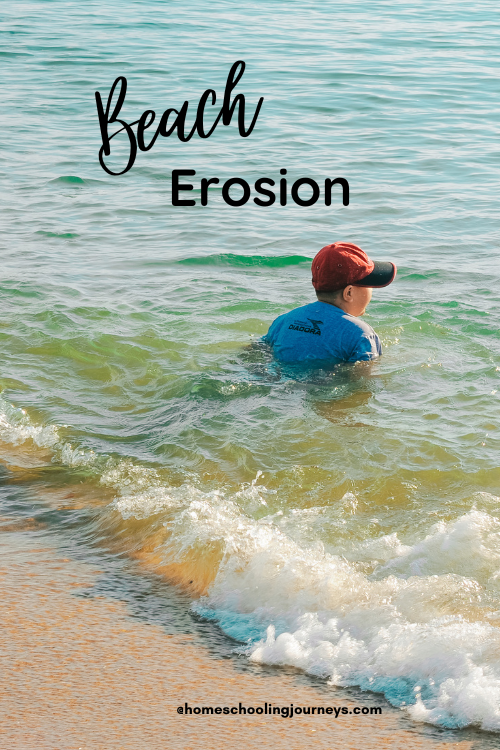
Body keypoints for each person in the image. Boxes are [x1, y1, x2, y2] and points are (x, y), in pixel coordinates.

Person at [262, 242, 396, 364]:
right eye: (369, 285)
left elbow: (256, 353)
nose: (371, 290)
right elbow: (364, 387)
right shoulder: (361, 335)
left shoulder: (283, 321)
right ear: (348, 293)